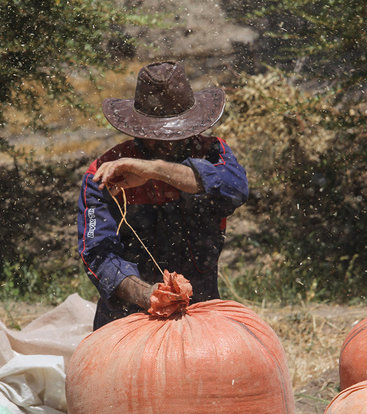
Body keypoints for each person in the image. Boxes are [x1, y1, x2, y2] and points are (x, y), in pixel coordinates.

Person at [77, 61, 248, 330]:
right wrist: (147, 295)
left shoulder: (213, 153)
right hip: (126, 317)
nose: (167, 142)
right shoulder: (104, 173)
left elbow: (235, 190)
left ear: (194, 126)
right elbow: (98, 253)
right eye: (157, 136)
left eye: (177, 134)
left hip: (201, 309)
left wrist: (155, 170)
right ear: (137, 129)